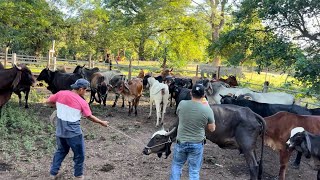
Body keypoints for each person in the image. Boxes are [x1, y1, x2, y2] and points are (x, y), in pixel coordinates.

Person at [47, 78, 108, 180]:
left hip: (60, 132)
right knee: (79, 154)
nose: (86, 92)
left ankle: (53, 173)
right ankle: (78, 176)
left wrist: (59, 106)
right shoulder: (82, 102)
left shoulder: (61, 93)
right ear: (80, 89)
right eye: (85, 90)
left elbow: (48, 101)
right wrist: (102, 122)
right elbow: (89, 116)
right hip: (74, 134)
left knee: (61, 151)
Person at [170, 83, 215, 180]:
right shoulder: (207, 109)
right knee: (194, 170)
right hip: (197, 143)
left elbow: (179, 114)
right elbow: (212, 129)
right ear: (203, 95)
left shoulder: (182, 104)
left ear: (191, 93)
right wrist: (206, 104)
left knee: (177, 166)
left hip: (181, 142)